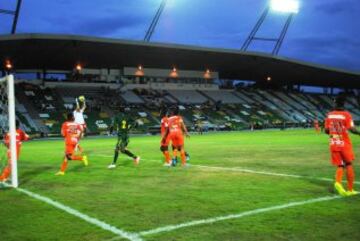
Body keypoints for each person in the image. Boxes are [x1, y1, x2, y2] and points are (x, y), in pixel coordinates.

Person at [324, 95, 360, 196]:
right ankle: (350, 189)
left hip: (334, 143)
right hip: (344, 143)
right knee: (348, 164)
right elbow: (352, 129)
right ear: (344, 104)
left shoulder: (329, 115)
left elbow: (326, 130)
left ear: (335, 103)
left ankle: (338, 182)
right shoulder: (346, 115)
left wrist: (334, 132)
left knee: (340, 165)